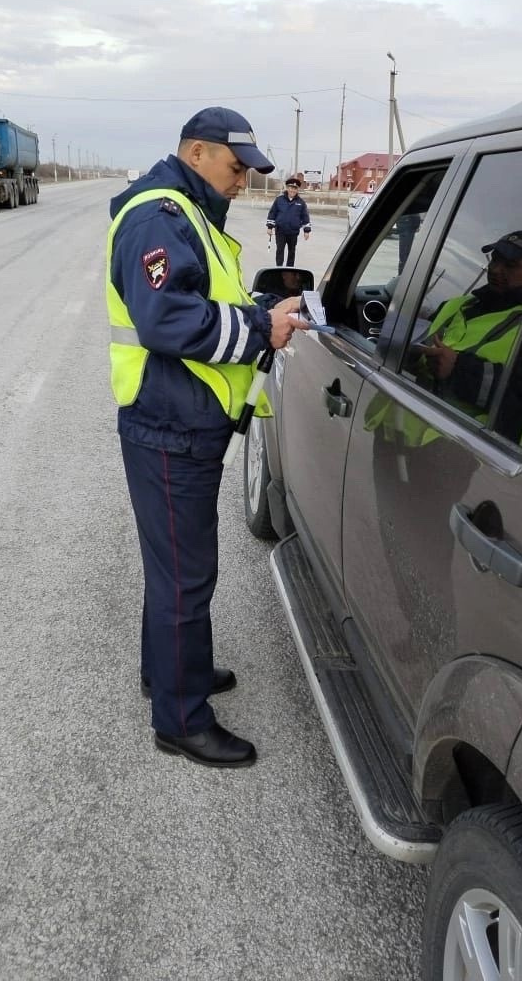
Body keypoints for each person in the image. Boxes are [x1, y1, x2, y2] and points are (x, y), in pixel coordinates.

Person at [106, 106, 308, 769]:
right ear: (196, 153)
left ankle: (167, 674)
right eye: (235, 165)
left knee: (174, 572)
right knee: (187, 578)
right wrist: (260, 329)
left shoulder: (186, 212)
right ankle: (181, 717)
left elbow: (202, 302)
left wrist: (255, 317)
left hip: (179, 422)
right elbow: (170, 323)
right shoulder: (157, 217)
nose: (244, 180)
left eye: (250, 169)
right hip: (167, 426)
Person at [418, 230, 522, 445]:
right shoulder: (458, 305)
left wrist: (458, 368)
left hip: (463, 453)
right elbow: (415, 342)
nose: (496, 269)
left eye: (511, 265)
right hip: (402, 432)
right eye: (495, 259)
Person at [266, 176, 311, 265]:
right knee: (280, 250)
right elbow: (272, 213)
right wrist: (270, 227)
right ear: (287, 188)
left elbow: (305, 217)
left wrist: (307, 231)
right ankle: (279, 268)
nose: (292, 190)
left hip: (293, 232)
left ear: (297, 190)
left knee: (292, 251)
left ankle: (289, 269)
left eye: (295, 188)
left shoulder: (301, 203)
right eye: (291, 188)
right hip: (280, 231)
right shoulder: (279, 200)